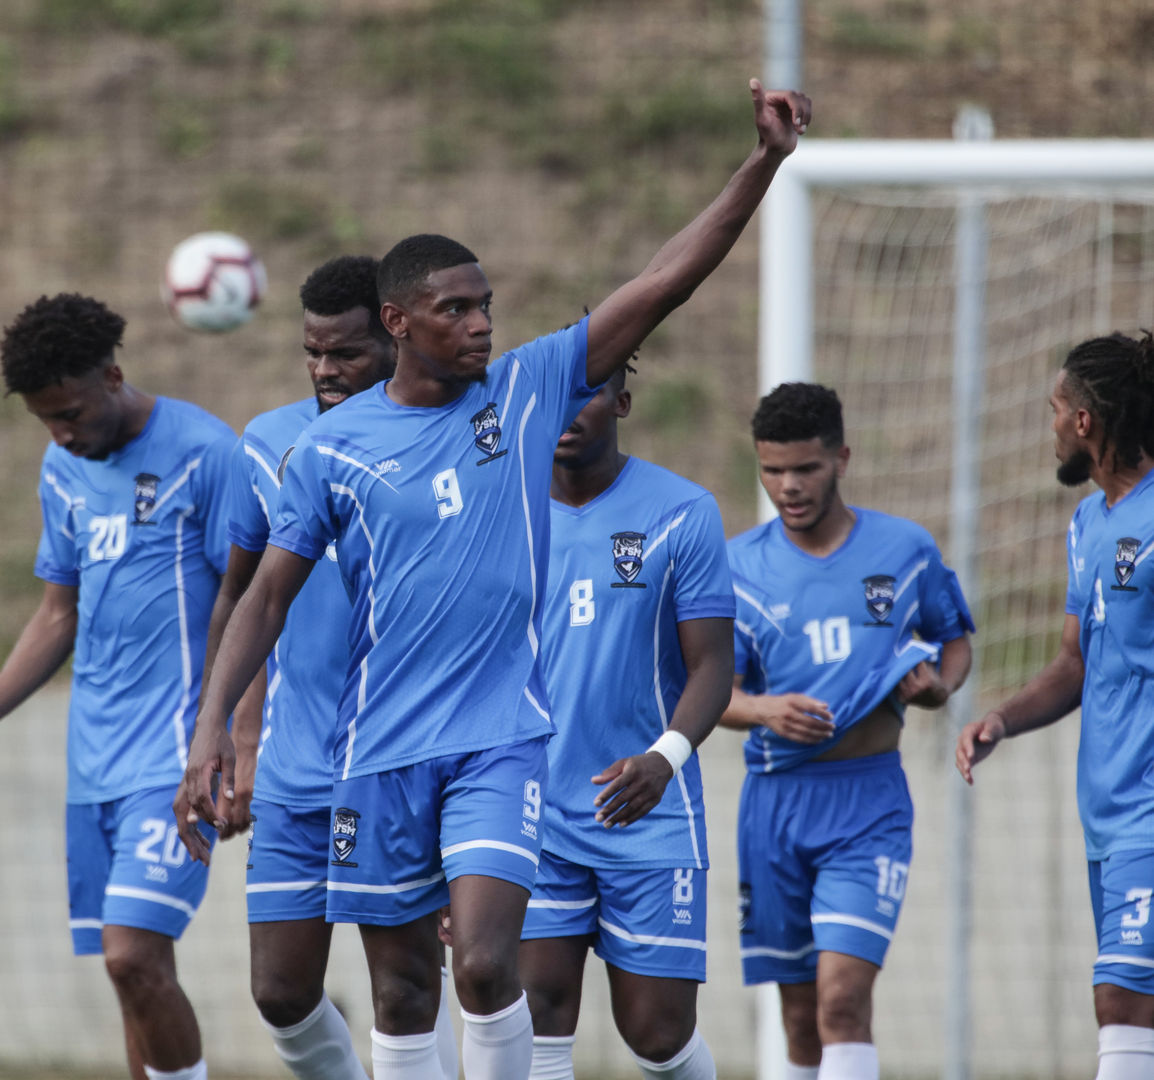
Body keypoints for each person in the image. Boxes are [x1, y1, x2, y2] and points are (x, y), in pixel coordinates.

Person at [179, 81, 812, 1080]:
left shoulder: (522, 392)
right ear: (399, 321)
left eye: (486, 306)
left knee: (481, 962)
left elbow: (661, 284)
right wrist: (214, 725)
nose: (481, 324)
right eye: (456, 309)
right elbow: (264, 598)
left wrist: (764, 164)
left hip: (498, 744)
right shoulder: (334, 449)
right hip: (378, 750)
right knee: (397, 991)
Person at [181, 255, 461, 1080]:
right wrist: (237, 732)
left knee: (408, 988)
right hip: (300, 765)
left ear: (394, 336)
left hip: (403, 760)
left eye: (345, 353)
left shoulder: (441, 437)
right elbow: (241, 599)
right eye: (313, 353)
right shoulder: (266, 444)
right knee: (279, 991)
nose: (326, 371)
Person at [0, 293, 237, 1080]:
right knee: (135, 982)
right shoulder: (63, 467)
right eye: (46, 420)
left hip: (176, 759)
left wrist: (237, 739)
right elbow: (56, 614)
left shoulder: (206, 453)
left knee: (131, 957)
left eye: (71, 412)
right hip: (93, 766)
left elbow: (250, 607)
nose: (62, 434)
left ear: (113, 375)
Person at [720, 382, 973, 1080]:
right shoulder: (737, 568)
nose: (789, 487)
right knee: (800, 1019)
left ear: (842, 459)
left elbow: (952, 639)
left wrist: (938, 688)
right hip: (775, 804)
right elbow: (710, 695)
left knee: (842, 1001)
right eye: (772, 471)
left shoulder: (905, 548)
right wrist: (766, 710)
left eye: (806, 468)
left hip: (868, 805)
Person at [519, 369, 735, 1080]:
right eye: (555, 393)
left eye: (587, 392)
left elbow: (711, 667)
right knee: (535, 1016)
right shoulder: (502, 512)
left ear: (622, 402)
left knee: (656, 1033)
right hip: (529, 807)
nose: (568, 412)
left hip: (646, 807)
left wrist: (664, 757)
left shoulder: (682, 511)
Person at [957, 334, 1154, 1080]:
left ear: (1084, 423)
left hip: (1149, 810)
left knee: (1122, 1001)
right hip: (1106, 813)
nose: (1048, 425)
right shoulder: (1088, 525)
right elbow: (1075, 662)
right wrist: (1001, 719)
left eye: (1054, 409)